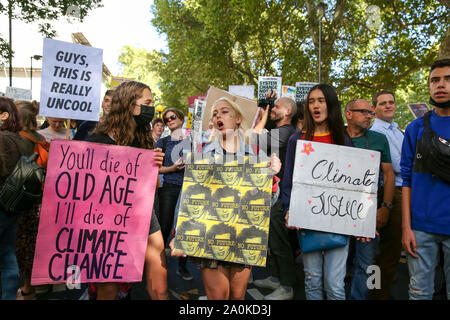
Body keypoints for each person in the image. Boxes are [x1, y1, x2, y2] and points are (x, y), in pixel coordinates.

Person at [170, 97, 281, 300]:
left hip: (243, 235)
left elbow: (268, 203)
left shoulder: (256, 154)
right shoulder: (203, 153)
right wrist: (179, 231)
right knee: (218, 296)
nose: (218, 116)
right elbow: (186, 194)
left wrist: (272, 182)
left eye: (224, 111)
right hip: (209, 234)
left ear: (238, 118)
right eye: (215, 113)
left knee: (237, 297)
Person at [86, 81, 167, 300]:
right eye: (147, 103)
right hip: (106, 221)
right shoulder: (96, 140)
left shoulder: (142, 140)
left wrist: (153, 169)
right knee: (109, 288)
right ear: (130, 105)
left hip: (141, 213)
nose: (151, 108)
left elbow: (153, 186)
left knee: (160, 275)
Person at [282, 84, 350, 300]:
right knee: (312, 281)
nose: (315, 106)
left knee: (335, 284)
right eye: (311, 102)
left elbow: (354, 186)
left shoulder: (344, 140)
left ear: (330, 104)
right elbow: (288, 180)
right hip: (307, 219)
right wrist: (288, 209)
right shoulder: (297, 140)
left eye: (320, 100)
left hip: (338, 221)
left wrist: (362, 218)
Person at [401, 58, 450, 300]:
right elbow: (406, 180)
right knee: (419, 293)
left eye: (448, 79)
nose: (441, 85)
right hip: (420, 229)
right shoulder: (415, 128)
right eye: (435, 80)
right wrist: (406, 227)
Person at [344, 99, 395, 300]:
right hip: (337, 211)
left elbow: (389, 175)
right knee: (336, 264)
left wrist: (386, 207)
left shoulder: (379, 139)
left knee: (367, 264)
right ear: (348, 114)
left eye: (371, 113)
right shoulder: (335, 137)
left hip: (368, 213)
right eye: (364, 112)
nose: (369, 116)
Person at [252, 93, 298, 300]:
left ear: (287, 112)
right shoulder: (279, 130)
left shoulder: (287, 132)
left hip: (279, 194)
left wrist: (264, 113)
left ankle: (287, 286)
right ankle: (276, 277)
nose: (273, 109)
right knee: (272, 238)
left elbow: (254, 137)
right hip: (270, 190)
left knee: (280, 240)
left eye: (277, 106)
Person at [369, 91, 405, 300]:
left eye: (391, 102)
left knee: (393, 250)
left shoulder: (398, 132)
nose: (388, 106)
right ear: (375, 109)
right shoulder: (376, 132)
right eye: (383, 103)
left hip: (406, 191)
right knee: (385, 252)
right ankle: (377, 295)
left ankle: (381, 291)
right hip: (391, 193)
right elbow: (399, 165)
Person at [13, 100, 48, 300]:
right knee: (37, 243)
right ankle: (38, 282)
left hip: (22, 200)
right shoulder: (41, 139)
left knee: (23, 245)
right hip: (41, 198)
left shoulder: (17, 139)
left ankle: (28, 288)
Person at [0, 97, 33, 300]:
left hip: (1, 204)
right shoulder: (23, 140)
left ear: (4, 115)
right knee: (7, 255)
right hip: (13, 206)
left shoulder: (2, 140)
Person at [155, 108, 192, 280]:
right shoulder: (162, 143)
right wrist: (172, 168)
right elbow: (155, 168)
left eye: (173, 117)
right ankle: (158, 265)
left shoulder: (193, 141)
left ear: (181, 119)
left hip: (189, 189)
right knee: (164, 227)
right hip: (169, 188)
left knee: (185, 229)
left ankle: (182, 267)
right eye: (166, 119)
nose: (169, 120)